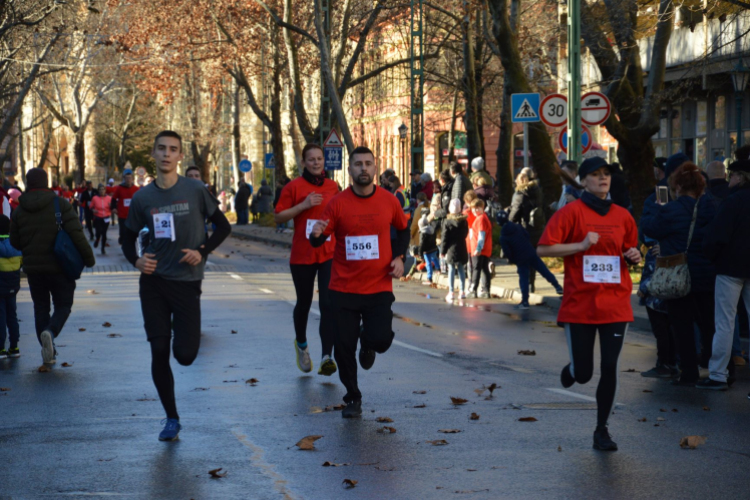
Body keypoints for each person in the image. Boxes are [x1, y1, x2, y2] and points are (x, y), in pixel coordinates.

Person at [120, 131, 231, 441]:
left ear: (180, 156)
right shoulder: (143, 198)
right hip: (153, 283)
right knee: (159, 350)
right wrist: (137, 261)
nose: (167, 154)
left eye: (173, 150)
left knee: (185, 355)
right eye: (161, 149)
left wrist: (202, 251)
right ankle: (171, 418)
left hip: (186, 283)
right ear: (153, 155)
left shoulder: (195, 190)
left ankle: (177, 329)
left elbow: (223, 226)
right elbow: (126, 237)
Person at [537, 156, 641, 452]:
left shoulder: (622, 215)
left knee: (610, 366)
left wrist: (633, 256)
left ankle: (602, 430)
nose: (602, 178)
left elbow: (629, 249)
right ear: (583, 181)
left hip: (616, 304)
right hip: (580, 304)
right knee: (583, 373)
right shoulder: (570, 213)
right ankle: (572, 372)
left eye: (606, 173)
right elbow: (543, 248)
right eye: (595, 174)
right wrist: (580, 246)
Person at [309, 146, 409, 418]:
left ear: (375, 168)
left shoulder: (389, 201)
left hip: (378, 286)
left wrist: (400, 257)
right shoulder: (338, 202)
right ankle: (353, 396)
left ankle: (368, 343)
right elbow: (319, 235)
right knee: (343, 349)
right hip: (343, 289)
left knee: (382, 340)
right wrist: (316, 234)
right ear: (350, 169)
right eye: (357, 164)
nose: (363, 168)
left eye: (368, 163)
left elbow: (403, 228)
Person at [642, 162, 719, 386]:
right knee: (709, 325)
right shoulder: (711, 207)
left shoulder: (670, 210)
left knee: (682, 326)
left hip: (677, 274)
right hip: (706, 274)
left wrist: (657, 207)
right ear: (700, 187)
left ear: (677, 187)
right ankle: (718, 368)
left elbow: (650, 228)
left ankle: (688, 372)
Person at [10, 168, 95, 366]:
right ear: (46, 181)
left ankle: (48, 348)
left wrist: (30, 248)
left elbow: (15, 242)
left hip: (34, 270)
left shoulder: (20, 209)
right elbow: (76, 233)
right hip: (60, 267)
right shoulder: (60, 204)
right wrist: (89, 259)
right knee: (63, 305)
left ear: (28, 183)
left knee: (40, 308)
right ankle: (51, 332)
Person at [274, 144, 339, 376]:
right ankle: (301, 345)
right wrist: (303, 205)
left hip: (328, 252)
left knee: (328, 304)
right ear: (303, 162)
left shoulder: (333, 187)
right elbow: (278, 216)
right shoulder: (293, 187)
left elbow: (339, 216)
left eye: (319, 159)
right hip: (302, 254)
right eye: (311, 160)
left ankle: (326, 357)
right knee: (304, 302)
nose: (316, 163)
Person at [698, 160, 750, 390]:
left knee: (725, 322)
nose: (729, 179)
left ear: (740, 177)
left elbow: (716, 235)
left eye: (732, 175)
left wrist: (712, 257)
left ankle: (718, 374)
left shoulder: (734, 201)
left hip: (730, 268)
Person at [497, 210, 562, 309]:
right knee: (543, 270)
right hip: (530, 251)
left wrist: (513, 260)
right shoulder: (518, 226)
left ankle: (525, 301)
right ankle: (557, 286)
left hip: (520, 258)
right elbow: (527, 235)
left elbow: (507, 252)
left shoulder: (503, 237)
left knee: (524, 278)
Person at [509, 168, 546, 292]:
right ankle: (531, 285)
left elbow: (514, 214)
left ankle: (525, 285)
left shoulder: (520, 194)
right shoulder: (538, 190)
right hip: (537, 229)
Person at [0, 211, 21, 359]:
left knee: (0, 317)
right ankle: (14, 346)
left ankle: (1, 348)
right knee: (12, 316)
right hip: (13, 286)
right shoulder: (17, 244)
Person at [440, 199, 468, 302]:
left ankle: (451, 292)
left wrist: (442, 251)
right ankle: (462, 291)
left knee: (451, 269)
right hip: (461, 246)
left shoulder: (447, 222)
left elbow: (444, 237)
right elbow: (465, 234)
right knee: (461, 268)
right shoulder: (464, 221)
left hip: (451, 248)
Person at [468, 199, 492, 298]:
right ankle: (486, 290)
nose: (474, 211)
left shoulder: (480, 219)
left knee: (476, 268)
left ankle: (473, 289)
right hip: (486, 248)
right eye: (473, 209)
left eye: (477, 208)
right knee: (484, 269)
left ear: (482, 208)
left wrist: (478, 248)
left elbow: (481, 234)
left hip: (479, 249)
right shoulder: (484, 217)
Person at [110, 169, 140, 245]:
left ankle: (130, 245)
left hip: (132, 215)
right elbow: (113, 199)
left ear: (132, 178)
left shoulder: (137, 189)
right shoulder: (119, 188)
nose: (128, 180)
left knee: (133, 232)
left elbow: (140, 201)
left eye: (129, 178)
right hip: (122, 215)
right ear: (124, 179)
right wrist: (113, 208)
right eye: (126, 178)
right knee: (123, 231)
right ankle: (122, 240)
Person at [417, 209, 439, 285]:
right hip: (434, 248)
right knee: (435, 258)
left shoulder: (422, 233)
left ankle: (429, 278)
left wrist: (420, 254)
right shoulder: (432, 229)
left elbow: (421, 244)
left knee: (428, 263)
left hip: (427, 251)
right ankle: (438, 269)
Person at [91, 184, 113, 255]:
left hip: (106, 217)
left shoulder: (109, 198)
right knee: (98, 232)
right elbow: (91, 206)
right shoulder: (95, 198)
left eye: (103, 189)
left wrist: (111, 206)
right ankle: (97, 239)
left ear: (105, 190)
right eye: (100, 190)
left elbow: (113, 207)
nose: (101, 191)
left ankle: (103, 248)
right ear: (98, 191)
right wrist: (93, 210)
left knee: (104, 233)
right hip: (98, 217)